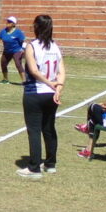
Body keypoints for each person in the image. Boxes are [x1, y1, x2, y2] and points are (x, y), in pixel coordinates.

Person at [17, 14, 65, 179]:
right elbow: (61, 71)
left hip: (35, 93)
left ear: (36, 27)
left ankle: (34, 168)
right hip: (51, 95)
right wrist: (57, 88)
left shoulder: (32, 46)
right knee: (49, 128)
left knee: (35, 130)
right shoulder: (55, 46)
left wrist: (50, 84)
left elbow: (34, 71)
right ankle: (50, 164)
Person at [0, 15, 26, 84]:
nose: (8, 23)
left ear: (13, 24)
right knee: (3, 64)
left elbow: (24, 41)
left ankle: (24, 81)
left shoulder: (18, 32)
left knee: (18, 64)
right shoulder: (3, 31)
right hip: (7, 51)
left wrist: (23, 49)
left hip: (16, 51)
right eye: (7, 21)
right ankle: (5, 79)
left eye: (10, 22)